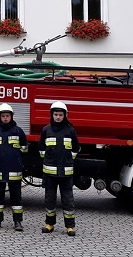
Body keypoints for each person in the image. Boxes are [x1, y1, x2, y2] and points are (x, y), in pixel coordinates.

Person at [0, 103, 28, 231]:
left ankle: (18, 222)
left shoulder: (18, 131)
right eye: (3, 116)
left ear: (11, 117)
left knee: (16, 199)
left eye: (7, 116)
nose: (5, 118)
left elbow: (25, 148)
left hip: (15, 171)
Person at [40, 100, 80, 237]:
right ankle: (49, 224)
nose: (58, 117)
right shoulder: (46, 130)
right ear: (52, 115)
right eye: (56, 114)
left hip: (66, 173)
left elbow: (76, 148)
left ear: (65, 115)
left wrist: (68, 160)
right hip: (50, 173)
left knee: (68, 200)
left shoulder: (70, 130)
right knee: (49, 200)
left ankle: (70, 227)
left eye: (60, 115)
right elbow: (41, 149)